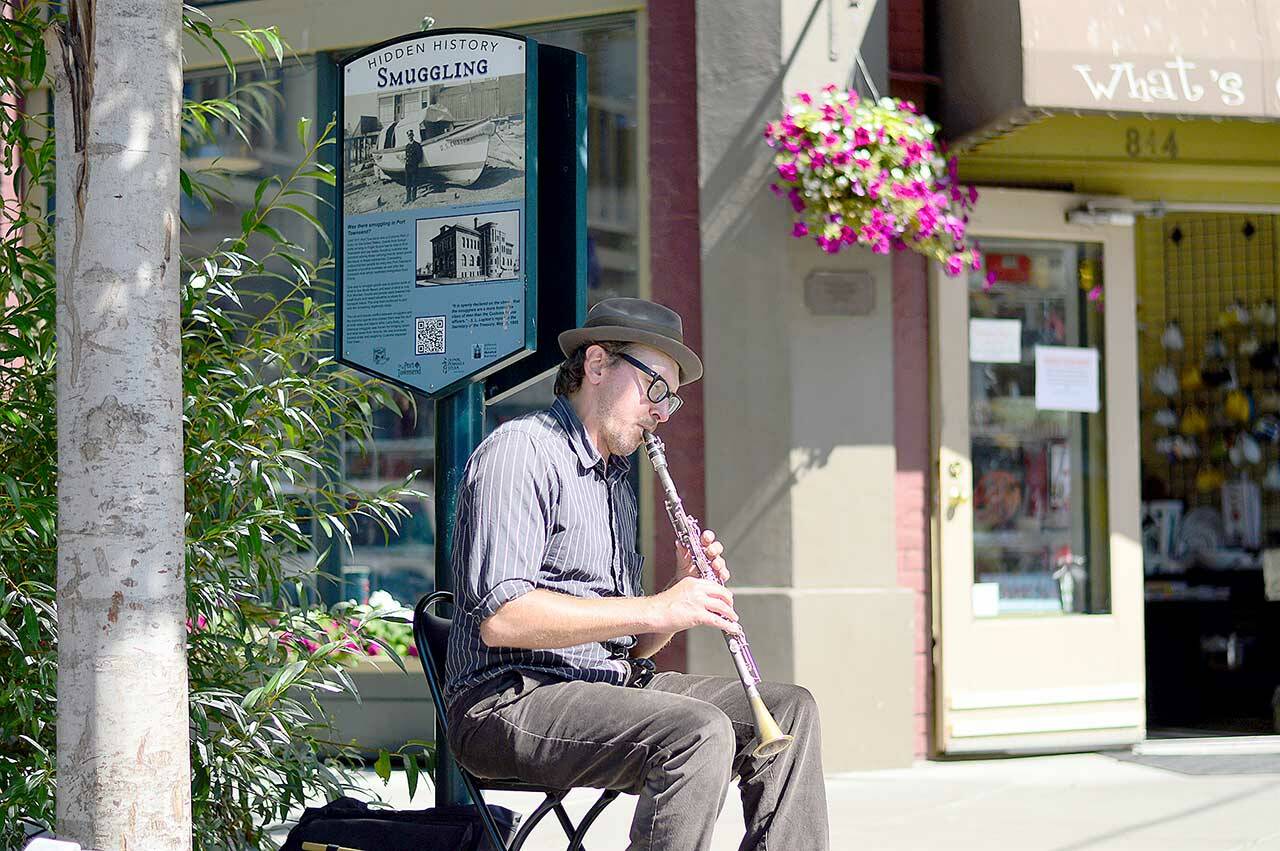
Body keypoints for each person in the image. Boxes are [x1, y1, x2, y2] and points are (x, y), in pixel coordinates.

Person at [444, 298, 829, 850]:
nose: (663, 411)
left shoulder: (614, 481)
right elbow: (503, 619)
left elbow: (631, 647)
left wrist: (675, 595)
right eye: (655, 388)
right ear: (597, 365)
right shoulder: (521, 453)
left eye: (670, 397)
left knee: (792, 711)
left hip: (599, 686)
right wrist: (656, 607)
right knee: (696, 734)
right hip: (508, 699)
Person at [403, 129, 424, 204]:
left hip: (414, 166)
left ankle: (413, 197)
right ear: (407, 136)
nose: (410, 137)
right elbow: (406, 156)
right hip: (407, 166)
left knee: (414, 182)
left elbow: (420, 156)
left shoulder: (417, 145)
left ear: (413, 135)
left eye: (411, 135)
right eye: (409, 135)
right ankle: (408, 198)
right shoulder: (407, 146)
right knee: (408, 183)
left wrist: (415, 163)